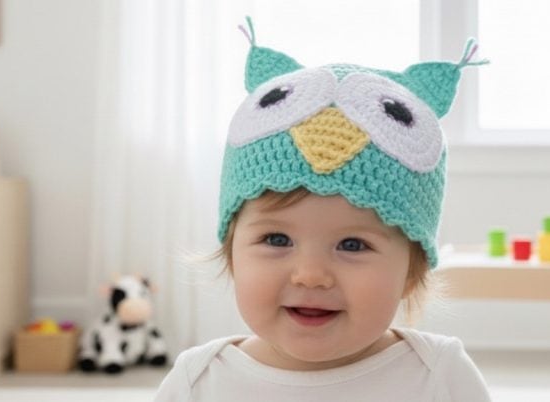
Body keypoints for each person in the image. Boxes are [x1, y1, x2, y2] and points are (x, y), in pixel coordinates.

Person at [154, 16, 491, 402]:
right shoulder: (199, 382)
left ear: (412, 272)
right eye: (276, 238)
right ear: (231, 253)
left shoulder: (438, 375)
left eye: (352, 245)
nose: (311, 276)